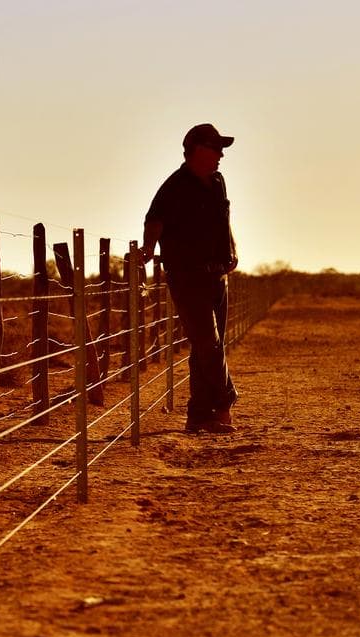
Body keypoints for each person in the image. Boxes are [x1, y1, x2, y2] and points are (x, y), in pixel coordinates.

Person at [142, 123, 240, 434]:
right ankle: (224, 404)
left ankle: (198, 415)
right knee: (209, 344)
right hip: (187, 277)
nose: (221, 155)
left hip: (217, 277)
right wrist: (147, 248)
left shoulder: (218, 181)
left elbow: (224, 219)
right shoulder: (174, 186)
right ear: (197, 149)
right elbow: (153, 219)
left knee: (206, 347)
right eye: (216, 148)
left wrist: (233, 248)